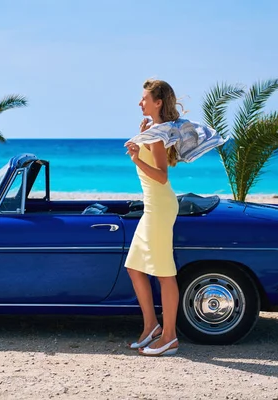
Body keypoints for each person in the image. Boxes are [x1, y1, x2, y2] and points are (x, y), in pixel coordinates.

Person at [124, 79, 181, 356]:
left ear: (157, 103)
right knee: (135, 266)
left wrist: (137, 158)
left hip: (159, 206)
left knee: (164, 273)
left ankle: (170, 337)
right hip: (153, 206)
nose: (140, 102)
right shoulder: (152, 131)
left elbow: (161, 176)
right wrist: (142, 139)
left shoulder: (158, 134)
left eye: (144, 98)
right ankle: (151, 327)